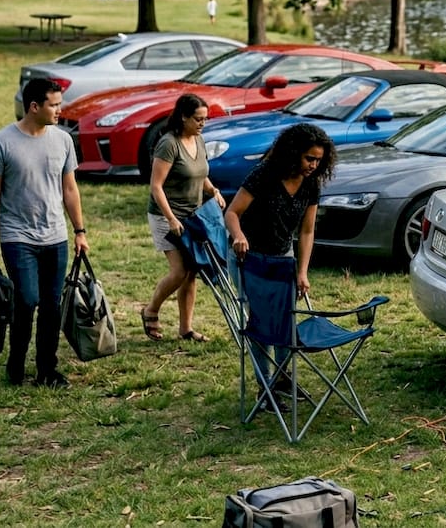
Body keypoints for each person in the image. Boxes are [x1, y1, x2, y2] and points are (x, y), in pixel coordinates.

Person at [0, 78, 89, 388]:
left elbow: (70, 189)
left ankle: (46, 370)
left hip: (56, 236)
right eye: (54, 105)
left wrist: (79, 231)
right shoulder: (2, 142)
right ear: (34, 107)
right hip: (17, 236)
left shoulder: (63, 140)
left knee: (51, 306)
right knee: (27, 300)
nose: (60, 110)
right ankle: (16, 362)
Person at [224, 123, 335, 399]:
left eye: (319, 160)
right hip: (249, 258)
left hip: (283, 258)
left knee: (285, 320)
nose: (313, 165)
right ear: (293, 153)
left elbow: (307, 231)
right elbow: (232, 213)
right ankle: (265, 387)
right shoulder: (265, 174)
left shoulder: (311, 183)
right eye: (309, 158)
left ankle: (283, 380)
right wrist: (238, 236)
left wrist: (302, 272)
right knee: (261, 321)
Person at [141, 94, 225, 342]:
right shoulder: (168, 144)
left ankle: (185, 329)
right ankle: (150, 310)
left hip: (192, 215)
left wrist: (213, 190)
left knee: (191, 273)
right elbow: (156, 186)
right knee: (179, 271)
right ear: (183, 117)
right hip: (166, 215)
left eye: (205, 119)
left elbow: (199, 173)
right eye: (198, 119)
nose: (202, 124)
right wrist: (170, 218)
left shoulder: (198, 139)